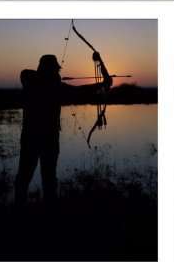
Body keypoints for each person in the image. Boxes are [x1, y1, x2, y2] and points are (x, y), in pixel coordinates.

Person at [15, 54, 112, 208]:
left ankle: (46, 208)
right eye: (54, 69)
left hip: (45, 138)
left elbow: (80, 90)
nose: (57, 72)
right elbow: (28, 75)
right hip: (35, 138)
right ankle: (22, 208)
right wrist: (103, 83)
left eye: (56, 70)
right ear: (48, 70)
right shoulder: (34, 81)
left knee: (48, 177)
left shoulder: (46, 84)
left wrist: (102, 84)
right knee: (27, 176)